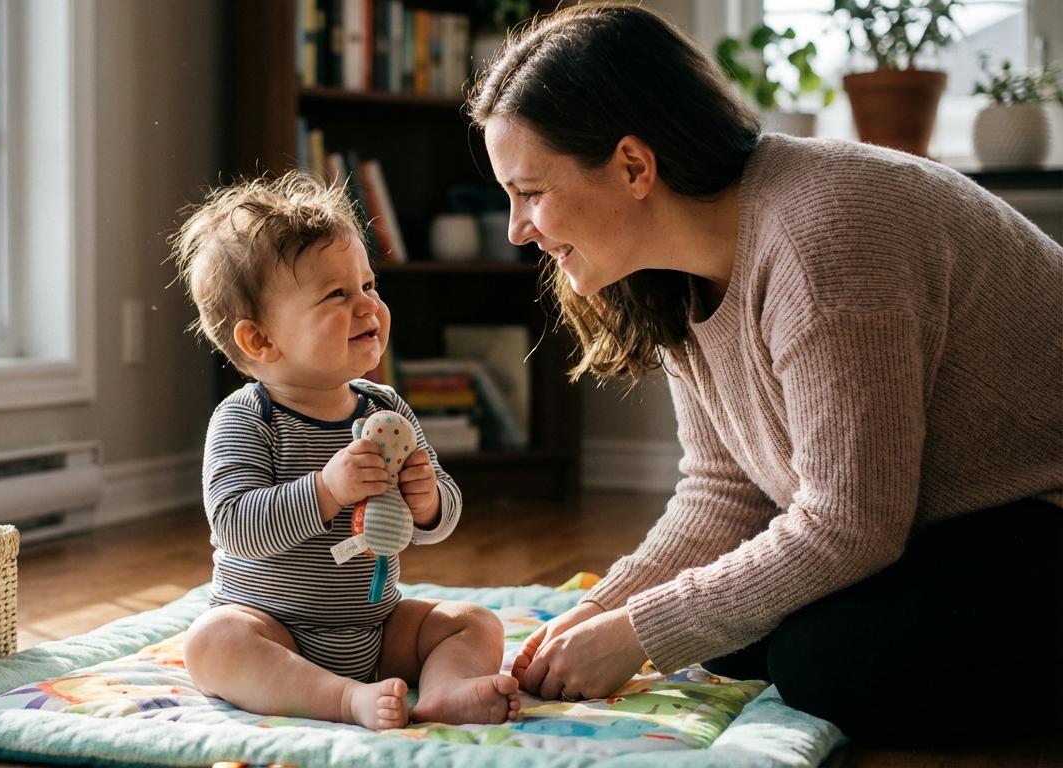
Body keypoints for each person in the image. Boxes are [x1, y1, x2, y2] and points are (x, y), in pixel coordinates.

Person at [466, 2, 1063, 745]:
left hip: (1040, 513)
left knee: (823, 660)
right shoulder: (670, 272)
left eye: (531, 193)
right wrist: (603, 612)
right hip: (941, 524)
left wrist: (637, 632)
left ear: (632, 166)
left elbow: (851, 523)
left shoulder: (822, 239)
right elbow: (723, 492)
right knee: (729, 634)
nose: (519, 228)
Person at [168, 171, 521, 730]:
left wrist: (427, 499)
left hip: (377, 629)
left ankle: (443, 692)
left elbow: (438, 519)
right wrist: (327, 490)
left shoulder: (384, 408)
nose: (368, 306)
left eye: (369, 286)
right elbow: (235, 525)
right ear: (259, 340)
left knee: (475, 622)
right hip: (275, 629)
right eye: (338, 294)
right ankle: (339, 700)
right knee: (213, 643)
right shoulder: (245, 418)